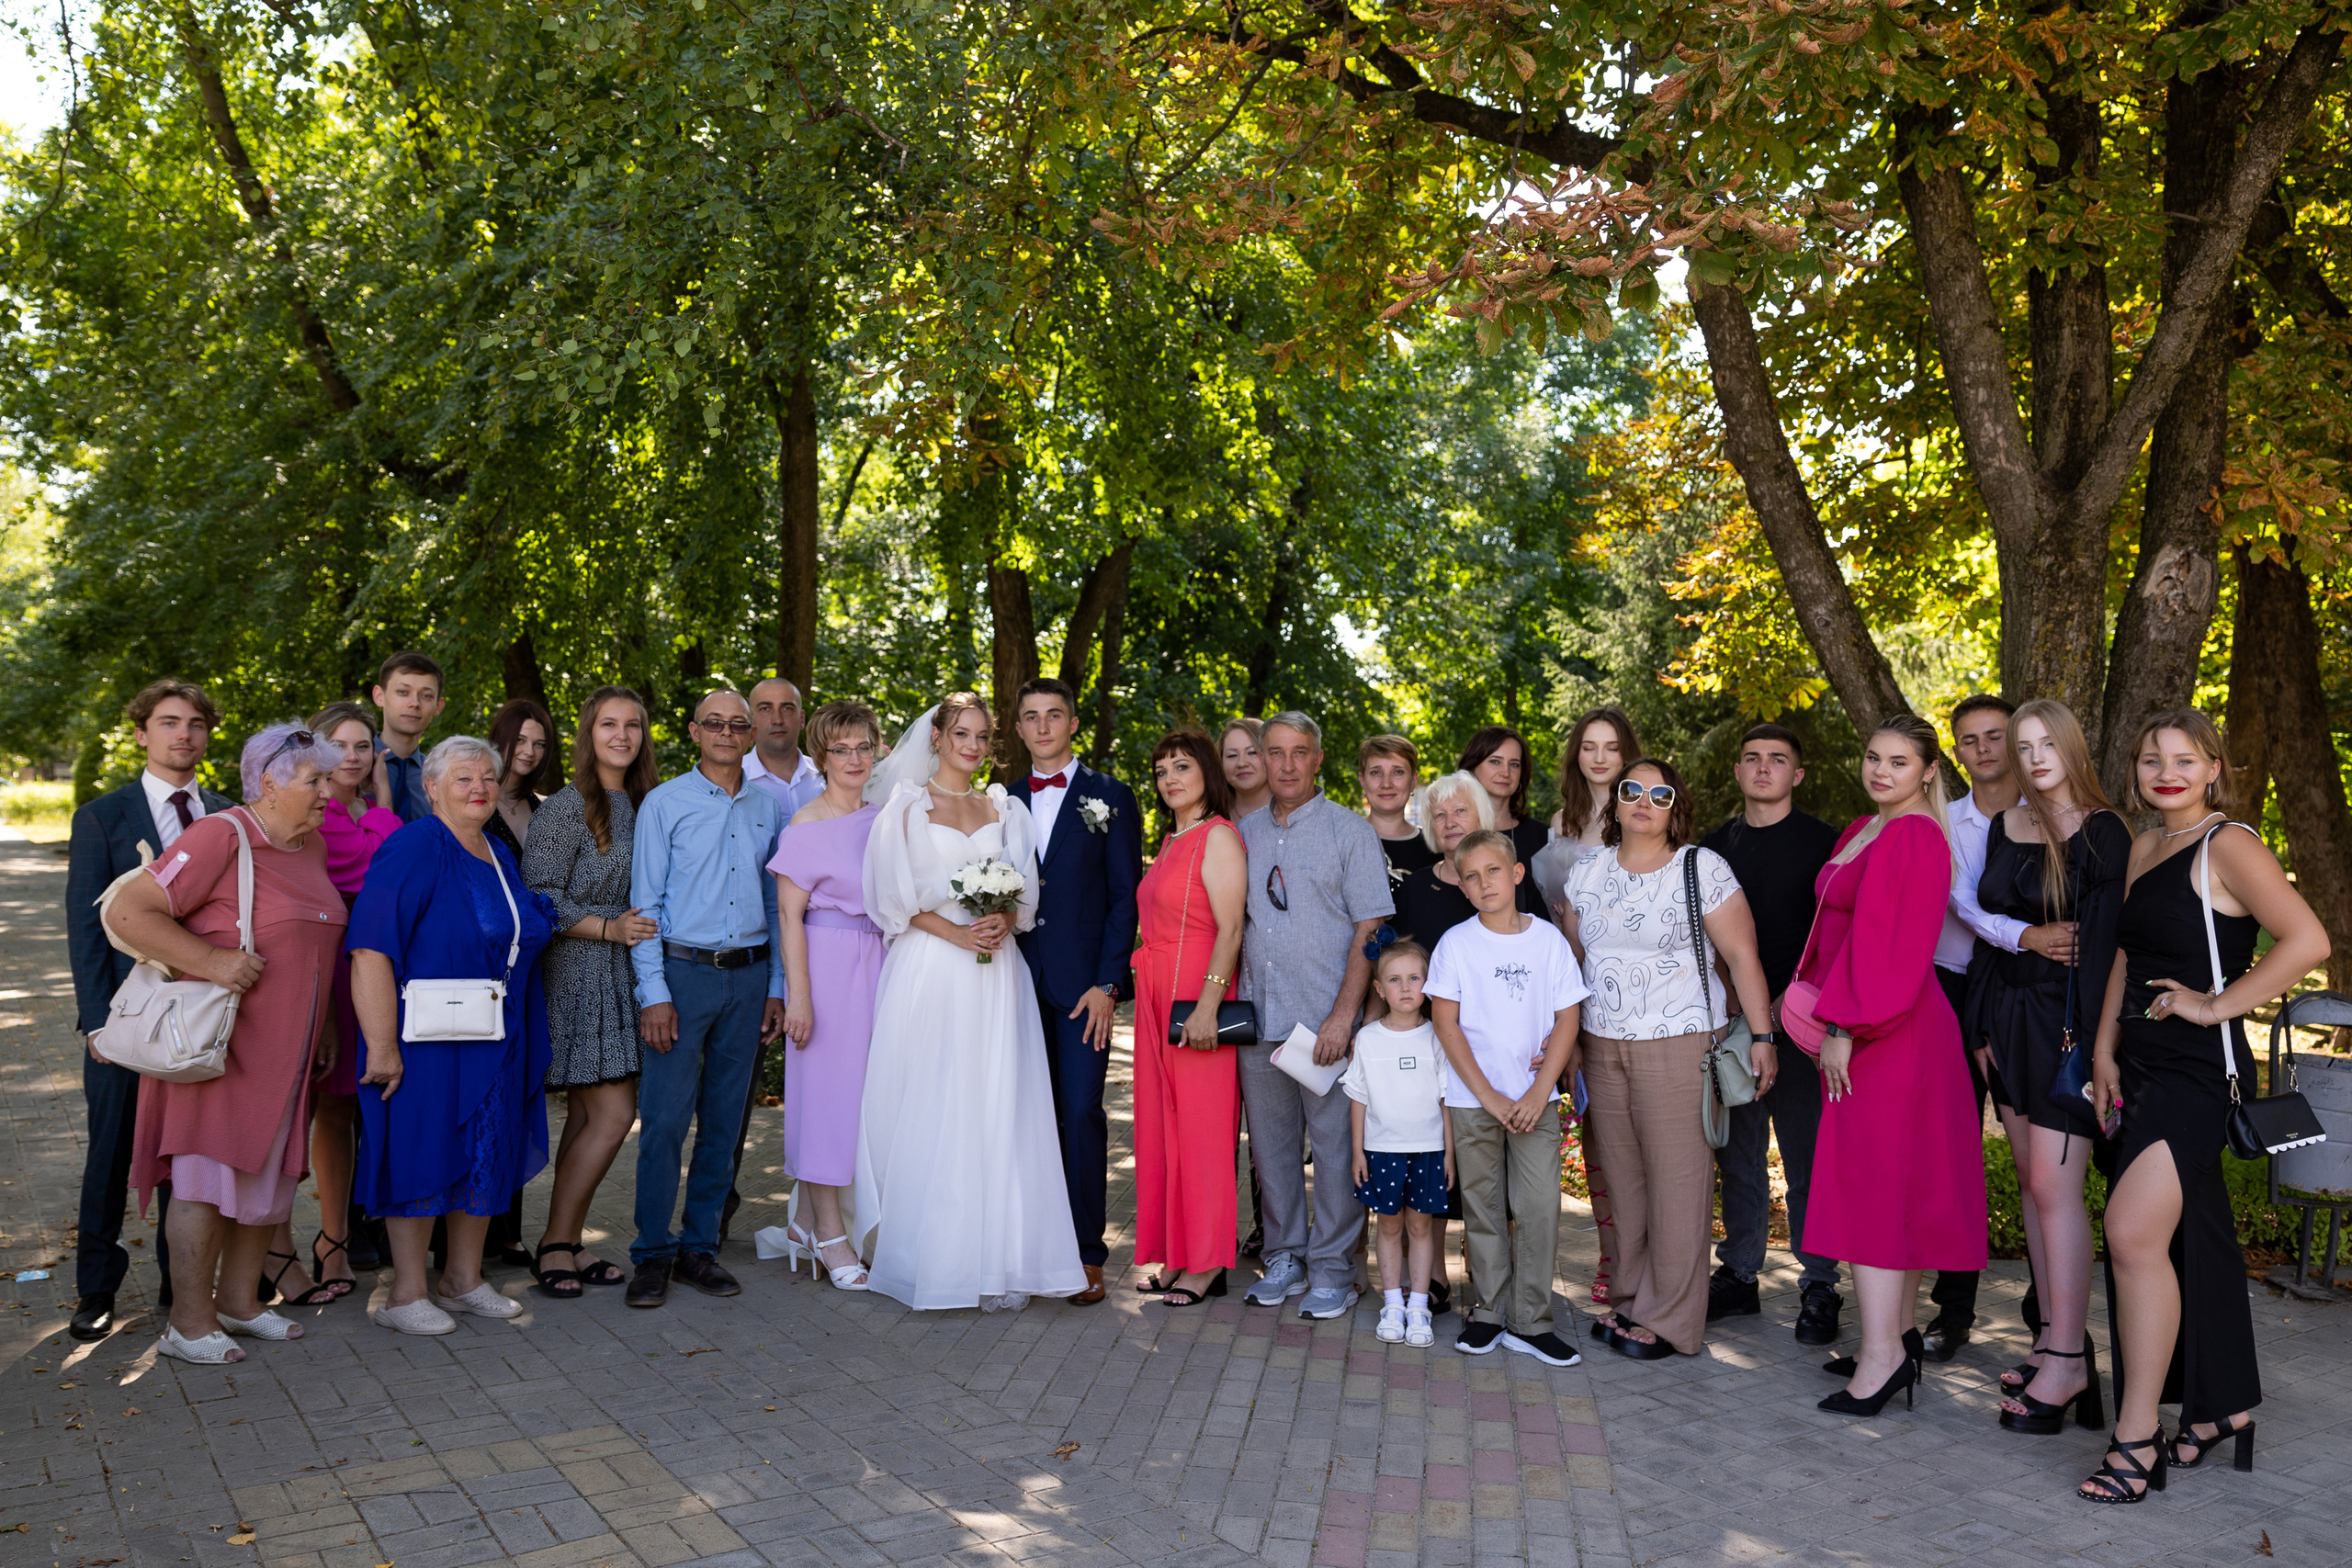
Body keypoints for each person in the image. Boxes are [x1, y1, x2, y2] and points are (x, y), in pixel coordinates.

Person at [2078, 711, 2327, 1503]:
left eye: (2186, 759)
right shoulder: (2145, 845)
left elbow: (2307, 940)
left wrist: (2218, 1006)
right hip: (2140, 1064)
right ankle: (2222, 1409)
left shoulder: (2232, 844)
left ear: (2215, 767)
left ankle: (2137, 1436)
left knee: (2129, 1234)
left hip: (2197, 1071)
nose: (2167, 771)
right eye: (2152, 758)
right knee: (2186, 1243)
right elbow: (2126, 952)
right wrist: (2105, 1050)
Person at [109, 723, 346, 1363]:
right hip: (221, 1049)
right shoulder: (221, 833)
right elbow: (128, 911)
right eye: (315, 779)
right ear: (268, 781)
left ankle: (242, 1303)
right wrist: (211, 960)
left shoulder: (310, 846)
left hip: (289, 1050)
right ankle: (188, 1324)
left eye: (329, 778)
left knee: (265, 1182)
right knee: (205, 1181)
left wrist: (323, 1024)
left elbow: (310, 949)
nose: (331, 790)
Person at [854, 694, 1089, 1309]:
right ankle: (934, 1255)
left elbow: (1025, 895)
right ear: (937, 735)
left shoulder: (1002, 806)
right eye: (962, 733)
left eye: (983, 735)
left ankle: (1000, 1254)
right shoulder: (906, 806)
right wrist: (957, 931)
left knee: (998, 1100)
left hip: (995, 972)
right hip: (933, 967)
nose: (974, 745)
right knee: (938, 1095)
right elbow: (892, 899)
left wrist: (1002, 917)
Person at [1798, 716, 1988, 1416]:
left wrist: (1847, 1023)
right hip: (1877, 1020)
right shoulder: (1865, 828)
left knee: (1875, 1189)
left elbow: (1893, 942)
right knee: (1892, 1185)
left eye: (1899, 762)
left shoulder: (1913, 834)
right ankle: (1898, 1339)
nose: (1882, 771)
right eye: (1873, 756)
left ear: (1929, 770)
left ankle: (1879, 1360)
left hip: (1888, 1026)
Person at [348, 736, 560, 1335]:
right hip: (425, 1039)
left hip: (495, 1033)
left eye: (488, 777)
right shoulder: (413, 846)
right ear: (432, 786)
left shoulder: (496, 850)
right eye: (463, 776)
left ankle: (462, 1279)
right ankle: (406, 1292)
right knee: (423, 1152)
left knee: (486, 1154)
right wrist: (382, 1045)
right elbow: (369, 947)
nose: (479, 787)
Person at [1565, 760, 1775, 1359]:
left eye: (1660, 793)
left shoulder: (1701, 868)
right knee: (1625, 1185)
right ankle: (1631, 1298)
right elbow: (1576, 962)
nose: (1644, 801)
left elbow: (1743, 957)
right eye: (1632, 790)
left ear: (1675, 806)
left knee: (1678, 1185)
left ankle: (1673, 1320)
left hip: (1682, 1045)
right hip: (1603, 1046)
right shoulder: (1587, 872)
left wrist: (1763, 1036)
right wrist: (1573, 1043)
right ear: (1617, 800)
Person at [1972, 699, 2130, 1434]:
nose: (2034, 757)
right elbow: (1984, 939)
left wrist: (2097, 1046)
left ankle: (2070, 1357)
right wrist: (1980, 1026)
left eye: (2046, 744)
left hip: (2065, 1027)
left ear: (2071, 747)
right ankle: (2050, 1341)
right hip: (2006, 1019)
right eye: (2022, 745)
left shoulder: (2103, 832)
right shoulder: (2007, 826)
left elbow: (2101, 958)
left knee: (2052, 1186)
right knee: (2036, 1190)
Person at [63, 679, 228, 1341]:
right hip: (125, 1017)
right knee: (111, 1151)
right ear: (141, 732)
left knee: (186, 1150)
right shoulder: (103, 816)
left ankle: (178, 1281)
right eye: (167, 722)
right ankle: (96, 1287)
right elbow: (83, 926)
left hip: (200, 1010)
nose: (182, 734)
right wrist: (97, 1022)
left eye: (194, 723)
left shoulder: (226, 812)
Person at [625, 690, 789, 1307]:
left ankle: (700, 1248)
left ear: (751, 735)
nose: (726, 732)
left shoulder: (768, 808)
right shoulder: (664, 804)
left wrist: (776, 985)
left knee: (726, 1121)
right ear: (695, 731)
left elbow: (776, 904)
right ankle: (651, 1252)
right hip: (682, 974)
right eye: (714, 722)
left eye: (737, 724)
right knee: (664, 1120)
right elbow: (645, 906)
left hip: (748, 978)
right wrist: (654, 992)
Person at [1238, 712, 1393, 1320]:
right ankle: (1284, 1257)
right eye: (1275, 752)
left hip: (1323, 1024)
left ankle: (1332, 1269)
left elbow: (1371, 928)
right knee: (1271, 1150)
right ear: (1263, 758)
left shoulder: (1349, 833)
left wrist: (1344, 1016)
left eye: (1299, 751)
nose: (1287, 764)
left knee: (1332, 1150)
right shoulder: (1242, 833)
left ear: (1318, 758)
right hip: (1260, 1018)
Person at [1936, 691, 2074, 1358]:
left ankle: (2047, 1314)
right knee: (1954, 1152)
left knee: (2038, 1166)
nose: (1985, 749)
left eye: (1998, 736)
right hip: (1953, 988)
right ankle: (1952, 1309)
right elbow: (1961, 903)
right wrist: (2029, 934)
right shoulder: (1946, 820)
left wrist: (2036, 945)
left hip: (2033, 1000)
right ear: (1955, 749)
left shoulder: (2054, 819)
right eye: (1971, 739)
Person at [1701, 724, 1842, 1340]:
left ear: (1798, 774)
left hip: (1803, 1022)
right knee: (1739, 1155)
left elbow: (1837, 935)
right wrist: (1728, 992)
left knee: (1809, 1156)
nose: (1763, 768)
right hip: (1734, 1023)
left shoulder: (1824, 845)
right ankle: (1739, 1274)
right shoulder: (1711, 849)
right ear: (1738, 771)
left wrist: (1791, 1001)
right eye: (1753, 758)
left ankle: (1819, 1285)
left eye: (1778, 759)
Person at [520, 687, 661, 1298]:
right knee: (613, 1113)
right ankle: (554, 1241)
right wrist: (608, 927)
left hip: (627, 968)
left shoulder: (649, 802)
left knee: (585, 1112)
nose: (622, 735)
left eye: (632, 725)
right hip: (580, 964)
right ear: (589, 732)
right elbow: (541, 895)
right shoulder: (568, 805)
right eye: (609, 724)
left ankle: (567, 1240)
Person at [1008, 678, 1144, 1304]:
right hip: (1007, 979)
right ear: (1017, 727)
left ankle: (1087, 1249)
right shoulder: (1000, 798)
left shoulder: (1110, 796)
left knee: (1080, 1110)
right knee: (1015, 1115)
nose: (1042, 727)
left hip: (1082, 987)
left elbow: (1124, 899)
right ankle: (1023, 1243)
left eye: (1053, 715)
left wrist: (1108, 983)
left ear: (1073, 722)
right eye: (1030, 717)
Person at [1430, 832, 1589, 1366]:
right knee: (1484, 1209)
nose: (1483, 883)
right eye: (1470, 876)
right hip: (1476, 1102)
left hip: (1534, 1101)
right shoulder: (1456, 943)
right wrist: (1489, 1096)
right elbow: (1445, 1023)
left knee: (1539, 1206)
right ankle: (1491, 1313)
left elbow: (1569, 1016)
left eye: (1493, 871)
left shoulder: (1546, 941)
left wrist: (1540, 1092)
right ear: (1461, 884)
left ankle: (1532, 1321)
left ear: (1517, 874)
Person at [766, 700, 886, 1290]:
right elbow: (789, 918)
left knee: (865, 1100)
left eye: (864, 746)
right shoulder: (806, 824)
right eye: (842, 748)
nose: (855, 758)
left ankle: (807, 1221)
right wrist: (800, 998)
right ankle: (830, 1237)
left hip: (881, 964)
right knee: (827, 1100)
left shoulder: (886, 817)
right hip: (827, 964)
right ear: (822, 755)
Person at [1130, 730, 1247, 1307]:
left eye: (1182, 766)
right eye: (1160, 771)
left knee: (1202, 1132)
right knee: (1164, 1131)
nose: (1170, 778)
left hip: (1196, 999)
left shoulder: (1218, 837)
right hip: (1156, 997)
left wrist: (1208, 1006)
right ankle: (1178, 1254)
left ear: (1206, 773)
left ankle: (1207, 1264)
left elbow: (1230, 929)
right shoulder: (1174, 840)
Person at [300, 700, 406, 1302]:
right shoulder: (317, 811)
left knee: (375, 1104)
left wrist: (381, 800)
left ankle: (370, 1230)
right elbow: (376, 862)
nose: (351, 756)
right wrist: (386, 808)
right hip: (332, 969)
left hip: (379, 968)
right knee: (333, 1111)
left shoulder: (366, 807)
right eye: (338, 744)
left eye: (363, 746)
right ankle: (330, 1240)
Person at [1532, 705, 1637, 1307]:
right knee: (1595, 1132)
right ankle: (1610, 1254)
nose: (1600, 757)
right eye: (1589, 746)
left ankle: (1647, 1257)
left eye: (1612, 746)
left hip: (1638, 992)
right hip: (1576, 990)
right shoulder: (1561, 821)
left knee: (1638, 1134)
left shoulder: (1643, 811)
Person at [1347, 941, 1454, 1348]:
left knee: (1420, 1227)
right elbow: (1358, 1097)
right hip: (1382, 1149)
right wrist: (1358, 1151)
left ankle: (1418, 1305)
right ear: (1379, 989)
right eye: (1395, 980)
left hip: (1428, 1149)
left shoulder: (1438, 1038)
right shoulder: (1369, 1040)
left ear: (1428, 984)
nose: (1406, 988)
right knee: (1389, 1226)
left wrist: (1450, 1153)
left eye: (1414, 978)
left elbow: (1447, 1101)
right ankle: (1393, 1303)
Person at [1391, 772, 1547, 945]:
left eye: (1460, 810)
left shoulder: (1515, 880)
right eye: (1440, 815)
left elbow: (1543, 944)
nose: (1450, 823)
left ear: (1481, 817)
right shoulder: (1413, 890)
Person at [371, 651, 447, 823]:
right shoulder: (350, 765)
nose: (415, 703)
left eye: (426, 695)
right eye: (403, 692)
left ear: (438, 706)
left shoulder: (439, 777)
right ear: (379, 696)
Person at [1458, 726, 1548, 869]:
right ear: (1472, 767)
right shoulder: (1454, 830)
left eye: (1514, 764)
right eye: (1495, 761)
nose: (1506, 772)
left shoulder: (1541, 835)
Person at [742, 677, 824, 819]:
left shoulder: (826, 776)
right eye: (765, 709)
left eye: (787, 708)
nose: (777, 719)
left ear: (802, 719)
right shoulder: (734, 780)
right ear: (751, 719)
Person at [1359, 735, 1435, 886]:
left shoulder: (1434, 847)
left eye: (1398, 772)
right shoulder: (1342, 841)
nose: (1386, 784)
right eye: (1376, 773)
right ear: (1363, 781)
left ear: (1413, 781)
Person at [484, 698, 554, 860]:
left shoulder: (545, 809)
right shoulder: (475, 799)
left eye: (539, 744)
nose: (529, 751)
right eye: (520, 740)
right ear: (500, 738)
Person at [1220, 717, 1272, 821]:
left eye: (1252, 753)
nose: (1241, 763)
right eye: (1232, 755)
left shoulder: (1295, 812)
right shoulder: (1212, 815)